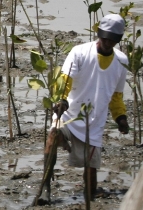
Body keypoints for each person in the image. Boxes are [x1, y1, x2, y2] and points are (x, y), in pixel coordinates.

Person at [52, 13, 130, 199]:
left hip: (93, 123)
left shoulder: (121, 61)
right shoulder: (79, 52)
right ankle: (46, 187)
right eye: (105, 37)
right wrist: (62, 100)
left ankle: (91, 194)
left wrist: (121, 118)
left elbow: (116, 95)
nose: (107, 42)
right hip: (69, 114)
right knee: (52, 136)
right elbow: (65, 80)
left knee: (91, 169)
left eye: (112, 39)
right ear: (99, 34)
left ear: (118, 39)